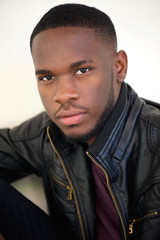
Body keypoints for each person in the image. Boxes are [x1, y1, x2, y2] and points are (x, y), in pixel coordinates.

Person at [0, 3, 160, 240]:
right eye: (47, 77)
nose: (63, 94)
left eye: (82, 70)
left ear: (119, 67)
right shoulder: (48, 133)